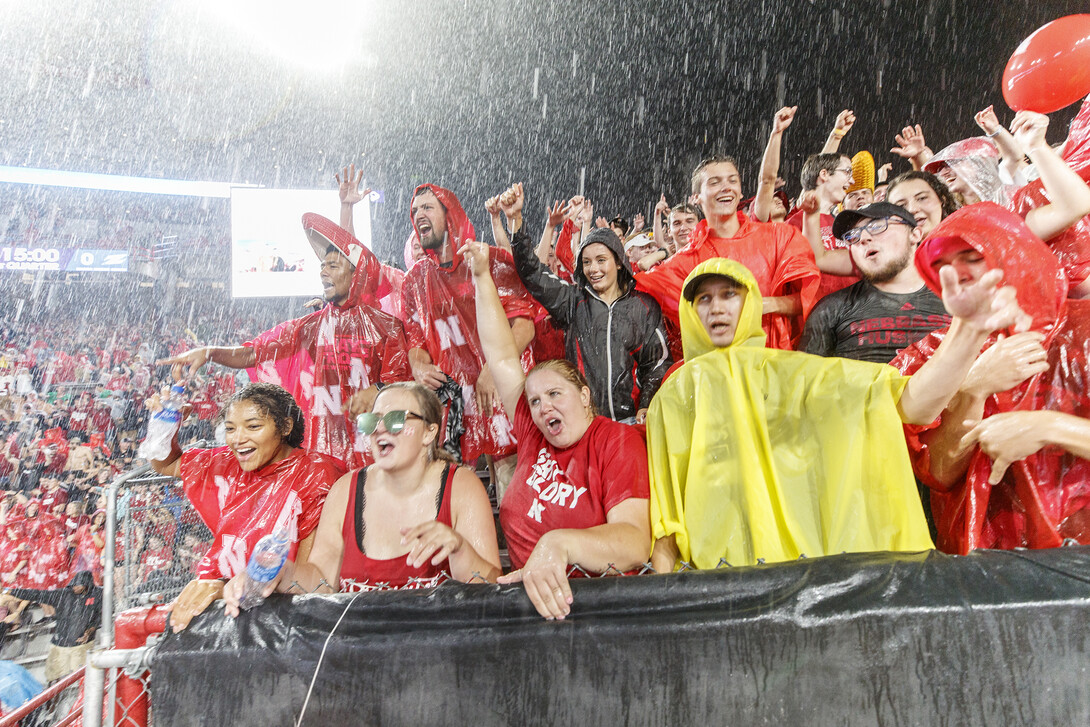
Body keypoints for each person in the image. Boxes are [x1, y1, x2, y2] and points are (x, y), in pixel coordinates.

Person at [646, 253, 1027, 572]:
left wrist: (967, 332)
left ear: (749, 303)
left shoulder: (794, 374)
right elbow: (666, 518)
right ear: (690, 310)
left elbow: (911, 404)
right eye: (704, 299)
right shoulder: (674, 396)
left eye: (729, 294)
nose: (716, 308)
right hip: (715, 585)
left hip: (797, 580)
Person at [462, 237, 651, 621]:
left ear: (584, 395)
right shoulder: (534, 433)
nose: (543, 405)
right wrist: (482, 276)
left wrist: (559, 544)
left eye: (554, 393)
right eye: (534, 400)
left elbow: (635, 542)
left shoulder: (617, 440)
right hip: (533, 613)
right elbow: (500, 355)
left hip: (599, 610)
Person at [892, 202, 1090, 554]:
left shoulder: (1083, 331)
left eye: (971, 255)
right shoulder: (930, 357)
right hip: (984, 573)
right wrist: (974, 387)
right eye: (940, 265)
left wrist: (1048, 427)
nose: (957, 272)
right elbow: (938, 474)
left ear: (1013, 252)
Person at [160, 214, 412, 469]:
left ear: (356, 275)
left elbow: (404, 384)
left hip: (374, 452)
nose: (323, 271)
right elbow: (254, 353)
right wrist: (209, 352)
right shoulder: (309, 327)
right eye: (322, 266)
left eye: (333, 266)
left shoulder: (387, 328)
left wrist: (377, 390)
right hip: (322, 459)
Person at [224, 382, 500, 606]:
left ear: (429, 432)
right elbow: (322, 581)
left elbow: (489, 587)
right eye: (372, 421)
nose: (380, 429)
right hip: (360, 650)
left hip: (432, 651)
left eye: (394, 420)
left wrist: (460, 548)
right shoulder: (346, 490)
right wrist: (282, 574)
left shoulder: (462, 486)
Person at [149, 382, 342, 632]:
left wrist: (224, 588)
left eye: (253, 426)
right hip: (217, 604)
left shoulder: (316, 473)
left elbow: (312, 584)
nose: (238, 439)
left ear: (285, 426)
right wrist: (164, 425)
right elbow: (167, 464)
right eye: (230, 429)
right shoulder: (226, 462)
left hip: (284, 622)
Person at [400, 183, 547, 481]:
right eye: (414, 211)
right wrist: (418, 364)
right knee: (454, 498)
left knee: (514, 492)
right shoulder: (414, 281)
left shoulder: (487, 261)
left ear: (449, 214)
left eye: (427, 208)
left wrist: (496, 368)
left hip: (499, 396)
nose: (418, 215)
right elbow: (415, 339)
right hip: (455, 407)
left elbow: (524, 325)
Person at [504, 189, 671, 424]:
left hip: (631, 423)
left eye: (601, 260)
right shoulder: (573, 301)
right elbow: (532, 272)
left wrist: (646, 404)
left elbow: (657, 363)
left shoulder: (643, 306)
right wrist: (515, 220)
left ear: (620, 263)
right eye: (586, 262)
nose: (593, 269)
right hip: (584, 423)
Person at [635, 155, 820, 356]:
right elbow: (632, 288)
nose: (726, 187)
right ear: (696, 197)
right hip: (718, 375)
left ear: (740, 192)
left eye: (733, 181)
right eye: (715, 182)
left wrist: (766, 304)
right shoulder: (684, 262)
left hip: (775, 369)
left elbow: (808, 299)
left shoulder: (780, 236)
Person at [800, 202, 951, 363]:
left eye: (877, 226)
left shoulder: (960, 302)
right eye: (853, 236)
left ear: (915, 234)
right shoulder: (830, 310)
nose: (863, 238)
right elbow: (805, 381)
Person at [4, 571, 100, 683]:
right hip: (59, 643)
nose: (74, 588)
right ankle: (52, 698)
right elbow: (37, 594)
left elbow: (98, 618)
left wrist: (88, 632)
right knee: (52, 677)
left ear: (86, 585)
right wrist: (10, 591)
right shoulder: (63, 594)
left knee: (81, 677)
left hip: (82, 645)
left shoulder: (98, 594)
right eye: (73, 585)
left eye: (78, 585)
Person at [786, 152, 859, 298]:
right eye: (847, 172)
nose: (852, 181)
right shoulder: (793, 226)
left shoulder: (845, 225)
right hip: (819, 315)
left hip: (855, 314)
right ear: (824, 174)